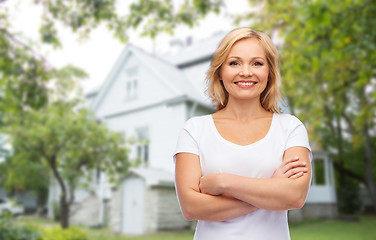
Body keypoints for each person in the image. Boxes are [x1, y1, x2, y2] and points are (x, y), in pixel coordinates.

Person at [174, 27, 312, 240]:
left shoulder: (290, 128)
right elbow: (191, 207)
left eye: (257, 63)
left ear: (269, 73)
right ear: (220, 72)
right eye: (234, 63)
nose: (246, 72)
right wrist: (271, 191)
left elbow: (294, 197)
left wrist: (223, 183)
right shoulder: (194, 130)